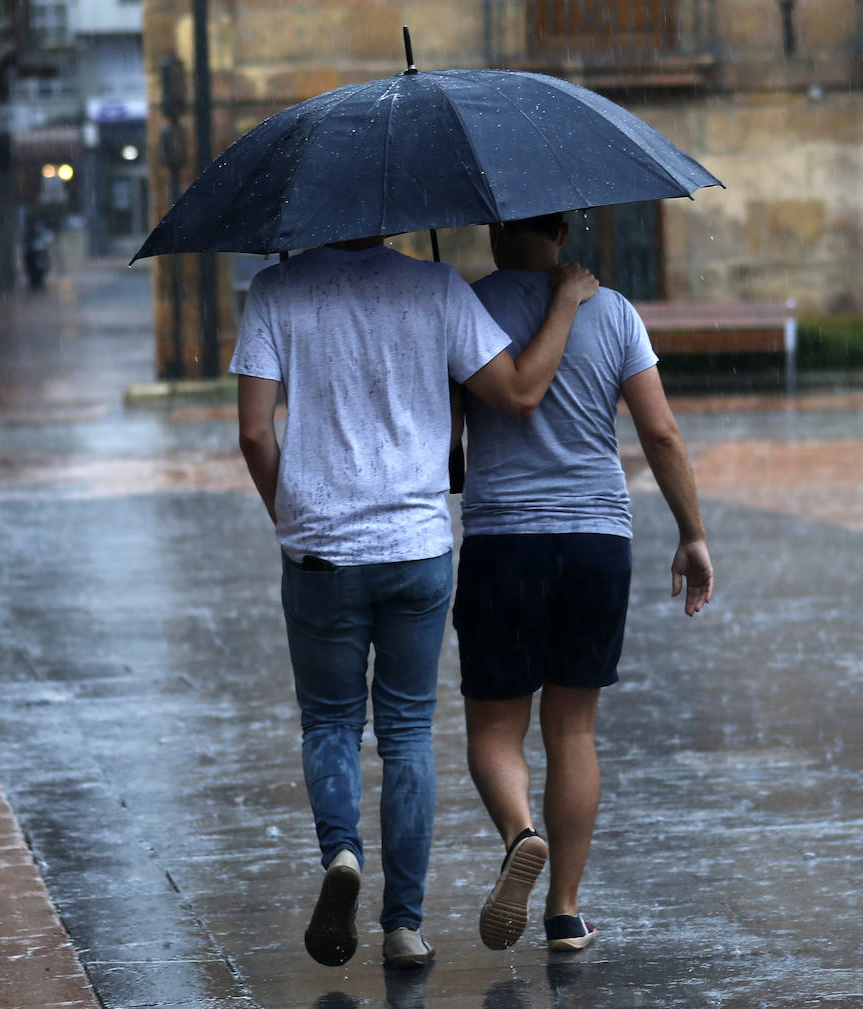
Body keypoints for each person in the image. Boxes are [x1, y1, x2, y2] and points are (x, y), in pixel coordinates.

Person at [230, 234, 598, 971]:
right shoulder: (437, 287)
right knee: (406, 732)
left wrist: (292, 512)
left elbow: (252, 430)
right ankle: (403, 925)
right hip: (416, 547)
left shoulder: (276, 290)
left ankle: (341, 850)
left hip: (319, 550)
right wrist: (564, 298)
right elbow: (519, 392)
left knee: (331, 720)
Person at [453, 212, 714, 953]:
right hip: (597, 539)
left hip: (504, 541)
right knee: (573, 728)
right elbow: (660, 432)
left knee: (494, 727)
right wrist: (691, 533)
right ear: (563, 230)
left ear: (492, 229)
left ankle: (520, 832)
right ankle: (564, 910)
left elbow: (445, 438)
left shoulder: (464, 306)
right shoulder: (615, 310)